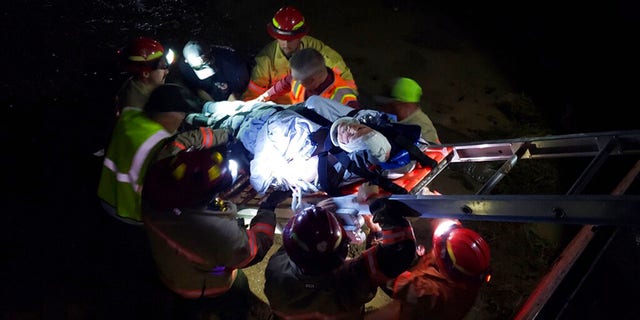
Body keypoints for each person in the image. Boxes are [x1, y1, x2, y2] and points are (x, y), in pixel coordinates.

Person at [141, 146, 289, 320]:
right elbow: (252, 250)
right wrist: (267, 209)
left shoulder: (156, 197)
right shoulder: (216, 230)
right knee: (239, 299)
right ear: (203, 197)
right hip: (206, 288)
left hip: (171, 270)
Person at [263, 197, 419, 319]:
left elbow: (295, 244)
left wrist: (314, 215)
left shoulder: (276, 269)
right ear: (342, 250)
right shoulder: (351, 281)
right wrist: (378, 210)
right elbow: (399, 253)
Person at [97, 83, 232, 225]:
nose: (183, 117)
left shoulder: (130, 115)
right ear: (167, 114)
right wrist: (225, 134)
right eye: (181, 113)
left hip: (105, 195)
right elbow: (185, 142)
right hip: (130, 212)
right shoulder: (160, 143)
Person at [365, 220, 492, 320]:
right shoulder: (469, 269)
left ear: (444, 267)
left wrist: (378, 233)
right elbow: (445, 226)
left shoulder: (423, 290)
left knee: (383, 270)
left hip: (415, 308)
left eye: (437, 252)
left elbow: (392, 312)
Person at [242, 6, 356, 104]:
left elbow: (347, 84)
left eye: (290, 39)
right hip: (282, 113)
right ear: (275, 36)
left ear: (300, 36)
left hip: (320, 109)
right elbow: (254, 96)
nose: (286, 44)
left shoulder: (320, 53)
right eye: (282, 38)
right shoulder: (265, 60)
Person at [255, 47, 360, 108]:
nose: (294, 80)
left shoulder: (344, 99)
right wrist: (266, 96)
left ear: (313, 80)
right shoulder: (301, 76)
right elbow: (286, 82)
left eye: (298, 80)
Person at [114, 37, 174, 117]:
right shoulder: (141, 106)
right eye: (162, 67)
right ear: (145, 73)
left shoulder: (136, 86)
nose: (167, 72)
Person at [178, 40, 250, 102]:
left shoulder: (231, 62)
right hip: (212, 93)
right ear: (186, 61)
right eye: (198, 67)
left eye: (207, 62)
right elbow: (199, 89)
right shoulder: (185, 67)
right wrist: (213, 105)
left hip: (233, 84)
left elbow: (236, 93)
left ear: (210, 51)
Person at [375, 77, 440, 144]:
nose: (384, 109)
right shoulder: (396, 121)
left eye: (391, 105)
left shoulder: (422, 130)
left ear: (405, 104)